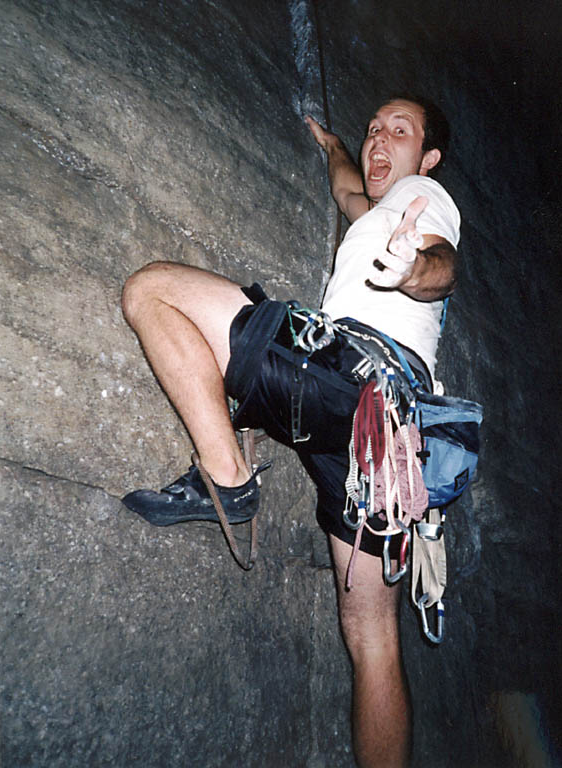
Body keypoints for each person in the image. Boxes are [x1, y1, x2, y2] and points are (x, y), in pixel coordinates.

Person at [120, 96, 460, 768]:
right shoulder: (372, 212)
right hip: (387, 445)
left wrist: (412, 269)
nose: (378, 139)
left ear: (428, 158)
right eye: (373, 130)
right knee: (370, 635)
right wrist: (333, 142)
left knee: (151, 290)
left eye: (399, 130)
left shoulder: (425, 196)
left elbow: (441, 259)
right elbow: (347, 188)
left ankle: (228, 479)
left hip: (351, 373)